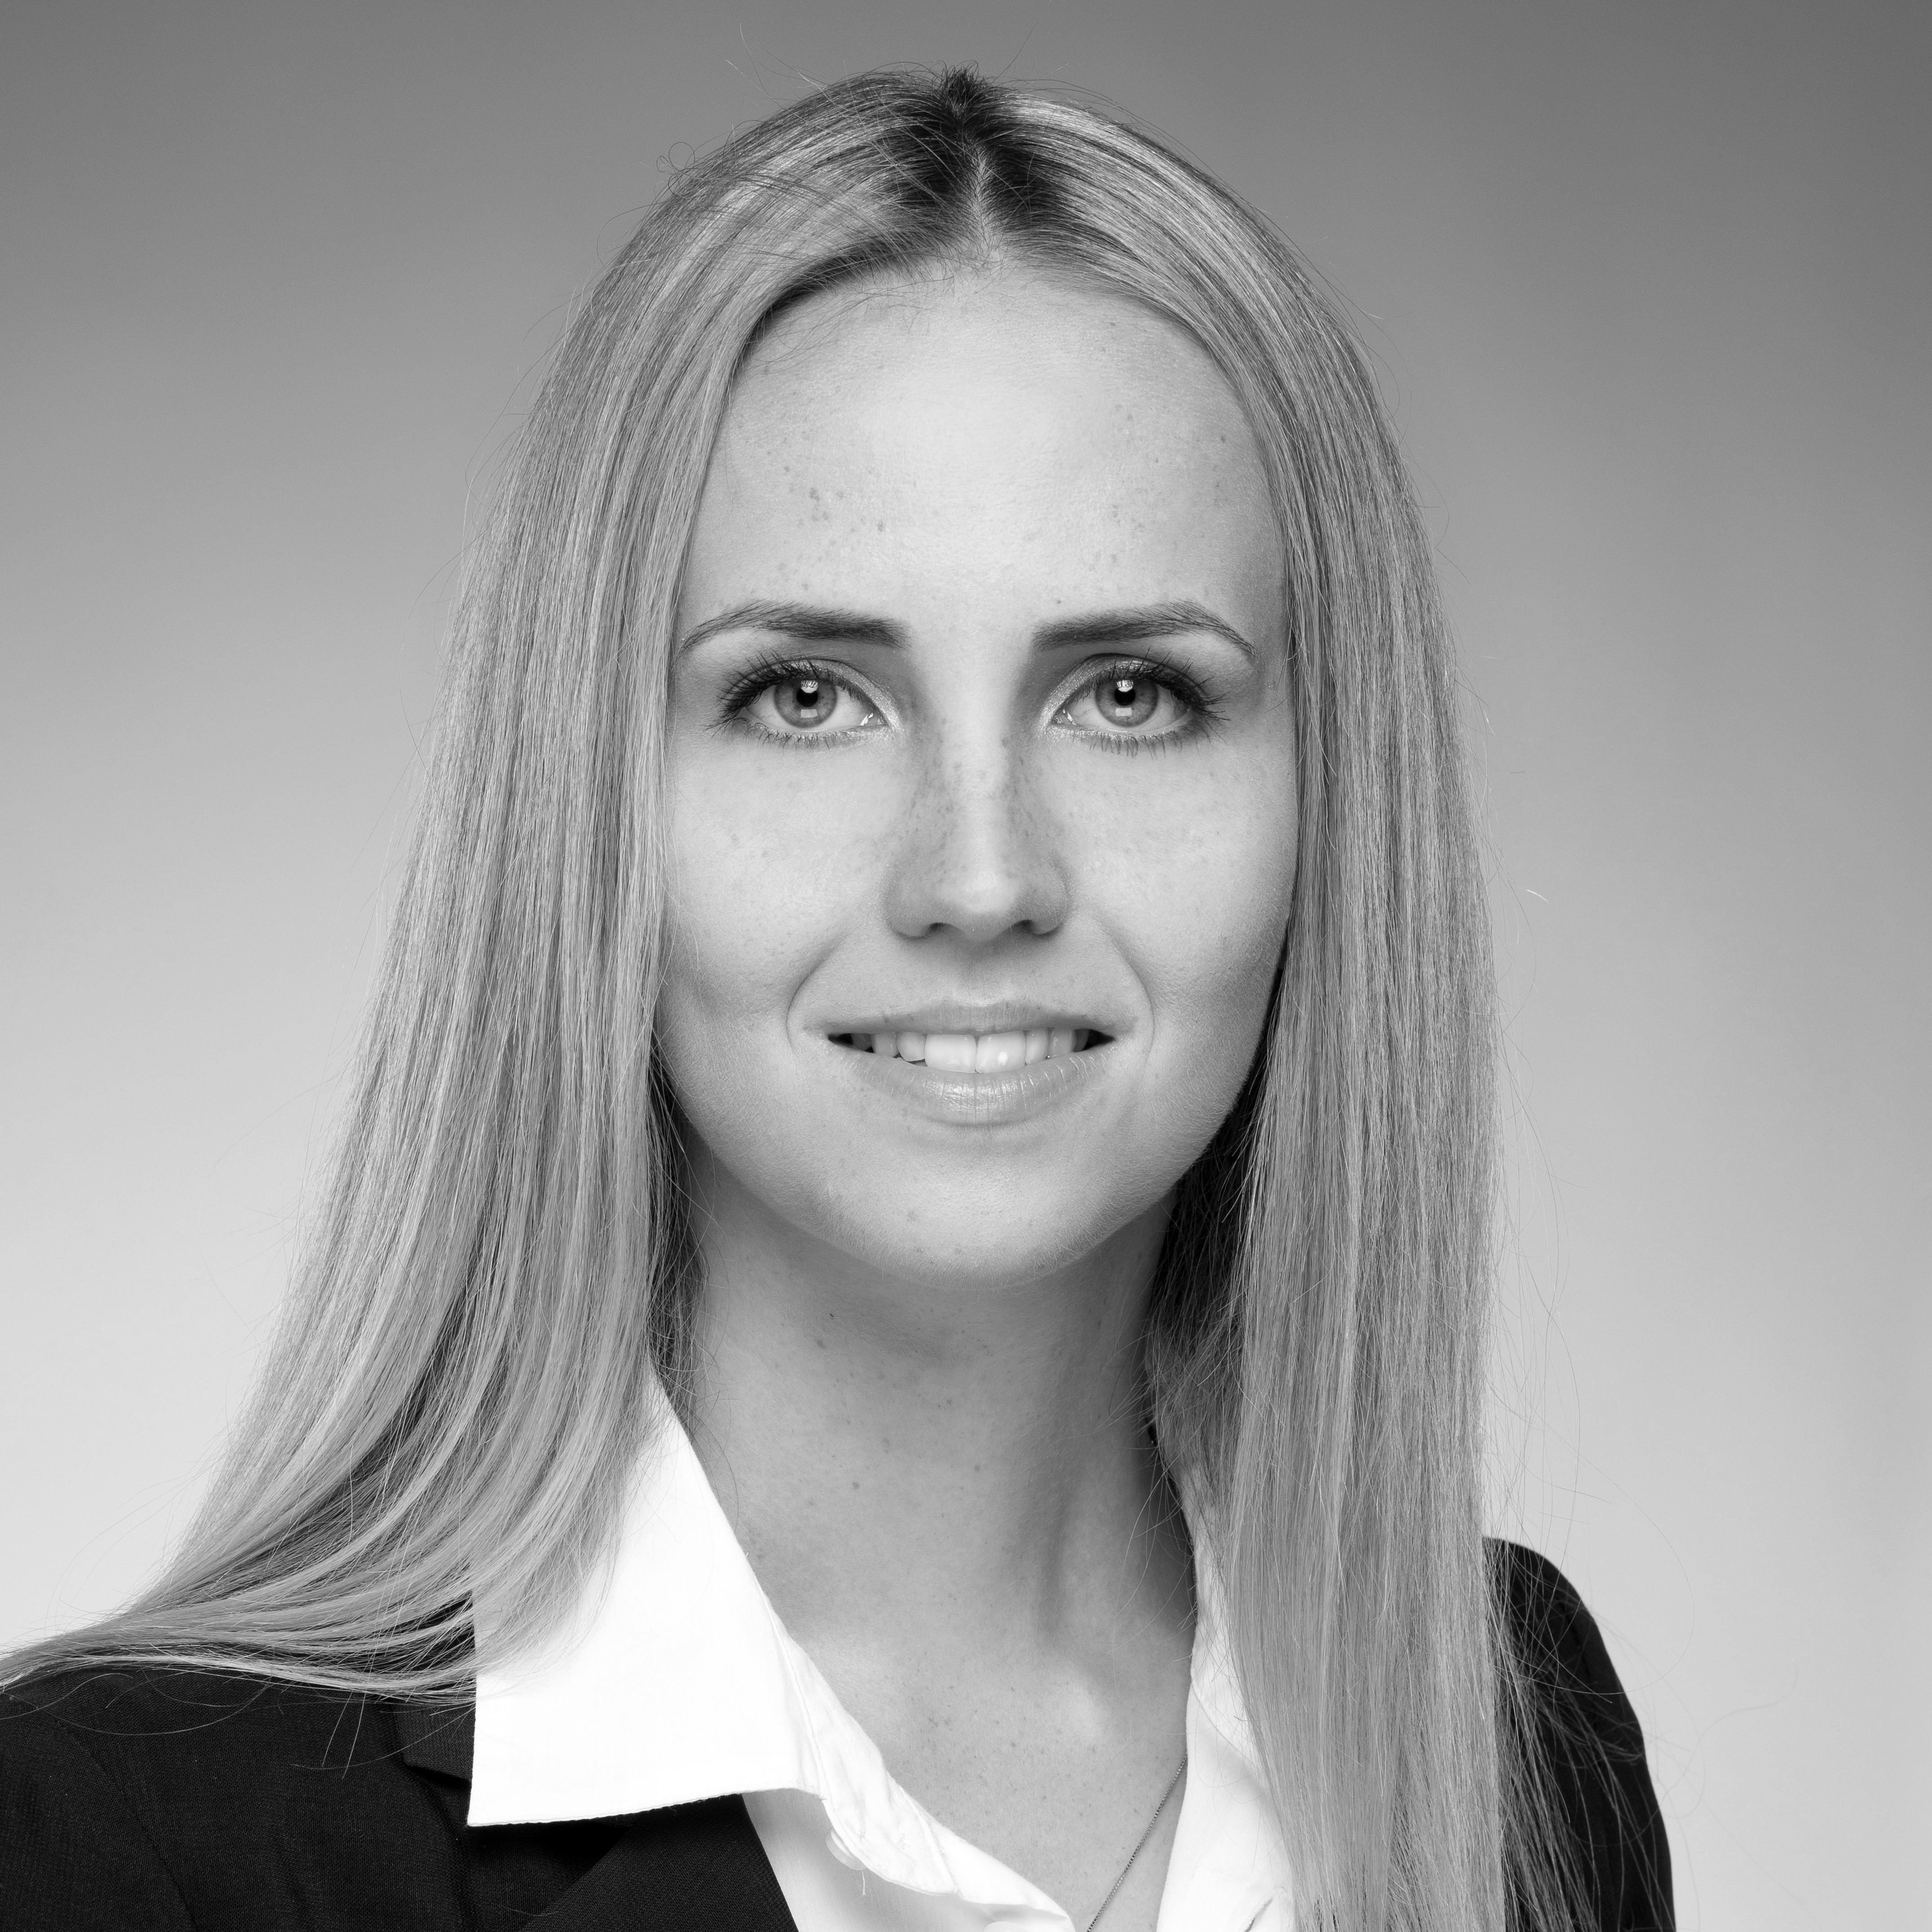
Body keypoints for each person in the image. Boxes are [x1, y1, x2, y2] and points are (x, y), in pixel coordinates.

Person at [0, 67, 1671, 1932]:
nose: (981, 877)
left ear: (1331, 802)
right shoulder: (115, 1843)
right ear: (588, 806)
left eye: (1129, 694)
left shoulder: (1510, 1738)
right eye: (806, 697)